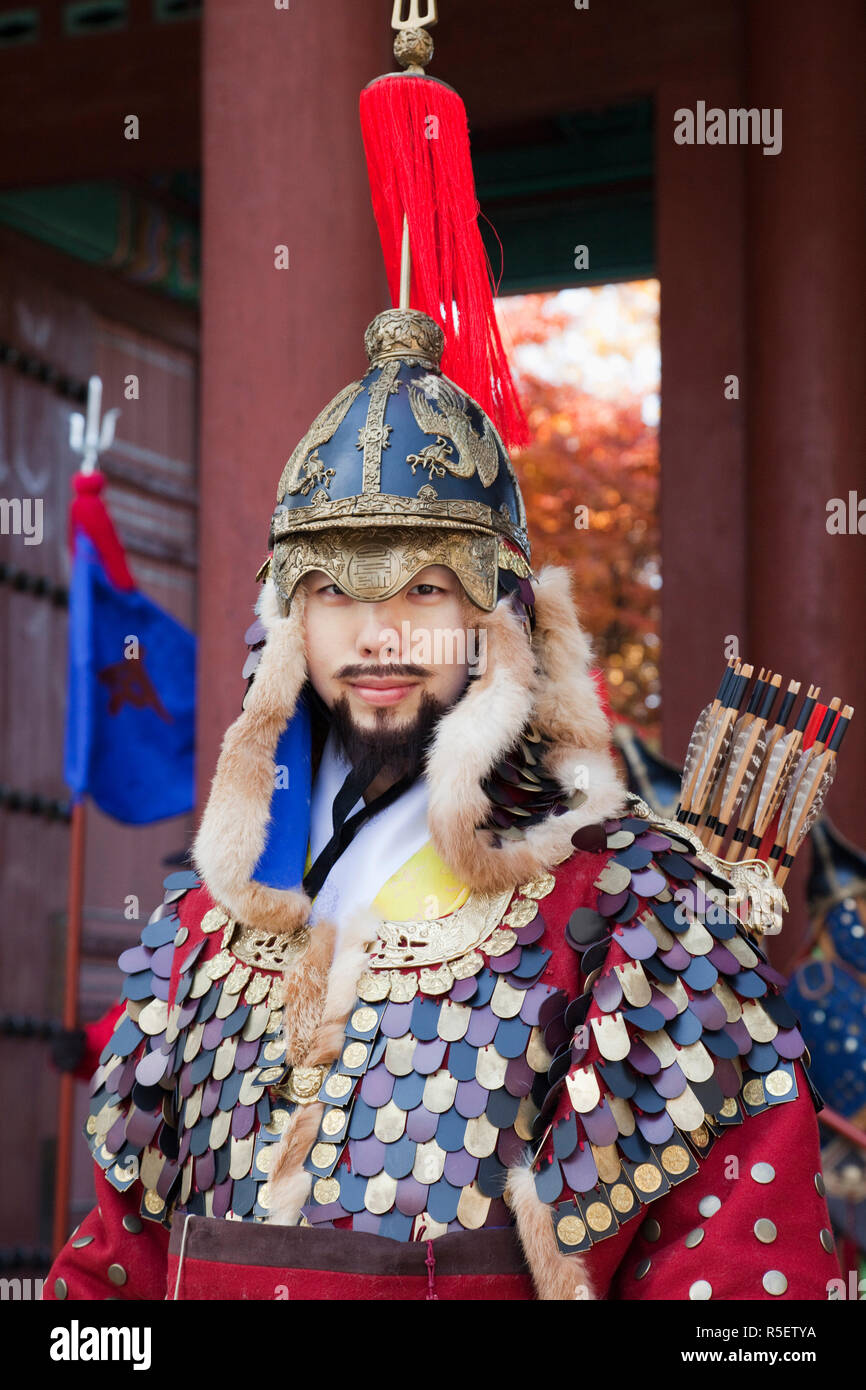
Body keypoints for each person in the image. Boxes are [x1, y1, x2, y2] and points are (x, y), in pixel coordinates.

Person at [46, 307, 840, 1301]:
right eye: (335, 589)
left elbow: (738, 1283)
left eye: (423, 590)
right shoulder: (203, 929)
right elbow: (112, 1277)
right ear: (289, 621)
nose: (377, 636)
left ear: (496, 621)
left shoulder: (635, 910)